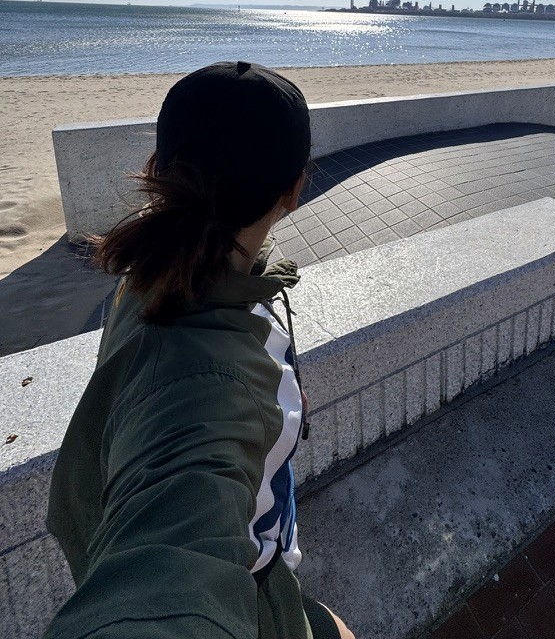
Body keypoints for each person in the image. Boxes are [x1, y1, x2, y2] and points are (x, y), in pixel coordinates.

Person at [43, 61, 354, 639]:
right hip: (254, 593)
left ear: (159, 169)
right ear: (295, 188)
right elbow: (172, 559)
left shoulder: (153, 276)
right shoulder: (207, 390)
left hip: (267, 572)